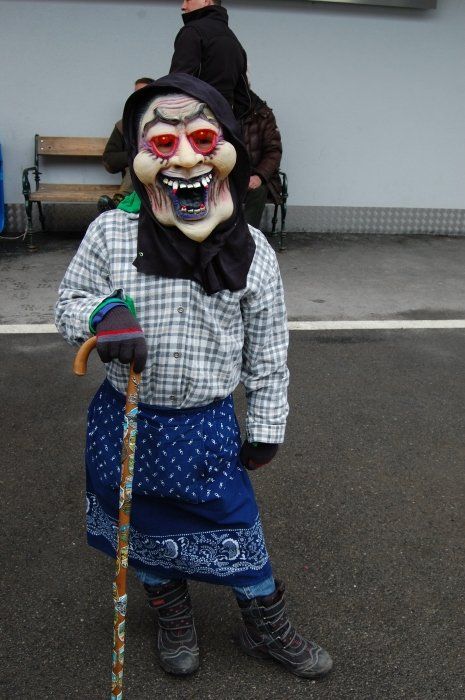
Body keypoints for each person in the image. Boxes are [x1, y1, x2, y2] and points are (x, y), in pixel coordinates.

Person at [55, 74, 332, 680]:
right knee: (144, 524)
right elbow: (68, 301)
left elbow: (269, 351)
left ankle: (264, 624)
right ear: (139, 155)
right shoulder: (110, 233)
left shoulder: (254, 252)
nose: (185, 157)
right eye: (162, 143)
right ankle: (172, 613)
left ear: (228, 146)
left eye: (203, 138)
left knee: (236, 524)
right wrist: (103, 315)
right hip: (125, 419)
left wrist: (266, 426)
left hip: (206, 425)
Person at [170, 0, 250, 118]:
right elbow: (244, 99)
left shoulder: (192, 31)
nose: (183, 6)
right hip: (224, 122)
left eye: (188, 0)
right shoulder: (234, 41)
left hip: (194, 120)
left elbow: (178, 82)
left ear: (206, 1)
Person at [97, 77, 153, 213]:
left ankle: (118, 203)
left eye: (143, 93)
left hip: (159, 180)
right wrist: (133, 154)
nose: (138, 97)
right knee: (137, 161)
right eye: (135, 93)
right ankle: (119, 202)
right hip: (133, 185)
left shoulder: (166, 123)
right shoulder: (123, 126)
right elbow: (109, 161)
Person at [242, 90, 283, 229]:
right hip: (229, 175)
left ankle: (247, 235)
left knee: (258, 190)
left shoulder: (263, 115)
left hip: (257, 175)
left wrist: (259, 176)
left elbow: (274, 151)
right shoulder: (222, 111)